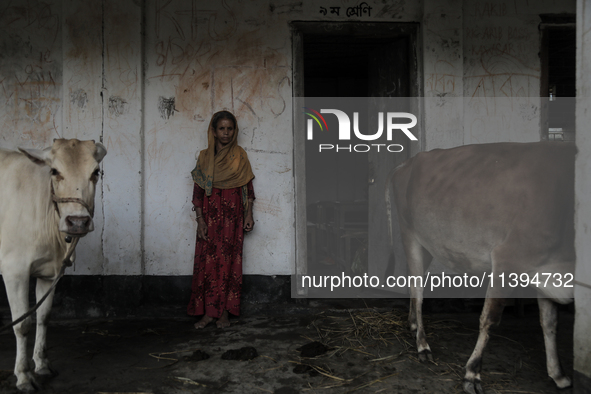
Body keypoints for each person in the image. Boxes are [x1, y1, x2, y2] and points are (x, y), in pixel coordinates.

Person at [187, 110, 255, 329]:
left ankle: (224, 312)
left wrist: (248, 214)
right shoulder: (205, 157)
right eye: (221, 129)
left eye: (230, 128)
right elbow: (198, 193)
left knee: (229, 264)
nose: (226, 133)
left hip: (233, 219)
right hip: (210, 217)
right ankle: (208, 313)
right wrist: (200, 220)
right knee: (207, 265)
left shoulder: (240, 156)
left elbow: (248, 189)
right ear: (214, 132)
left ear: (234, 131)